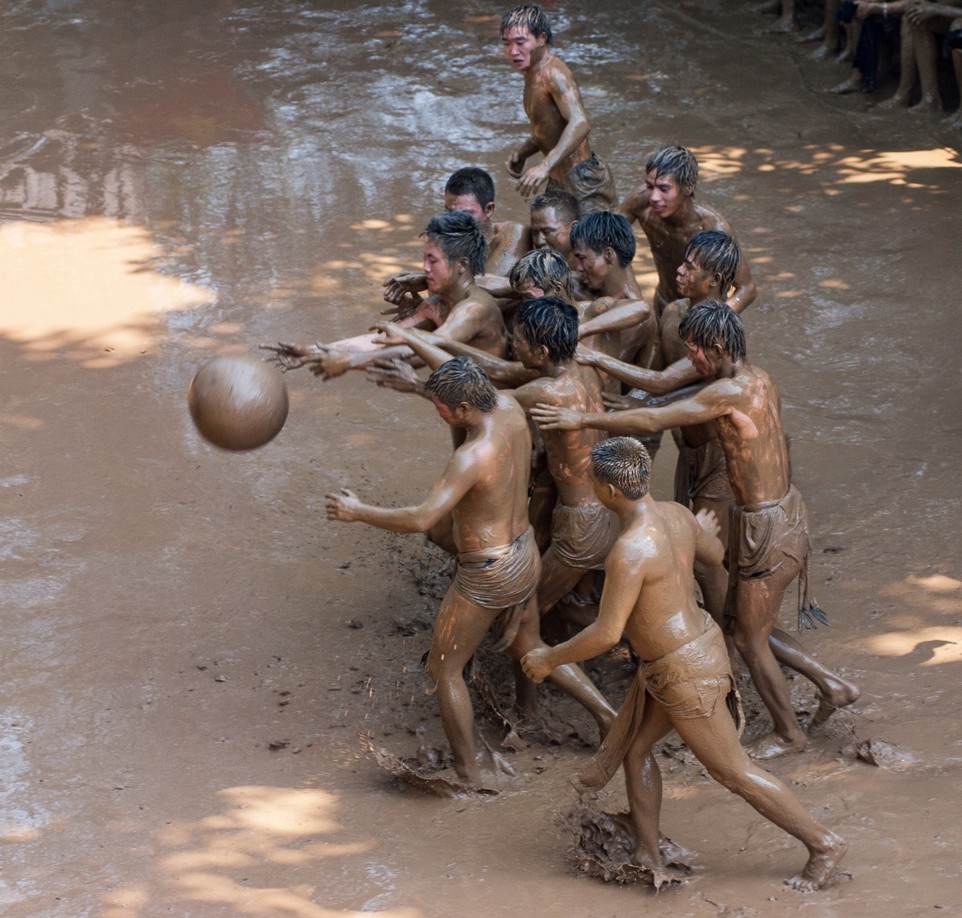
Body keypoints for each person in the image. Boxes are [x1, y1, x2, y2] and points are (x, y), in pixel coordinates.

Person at [531, 301, 859, 759]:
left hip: (767, 525)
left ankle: (790, 733)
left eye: (695, 352)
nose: (690, 360)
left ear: (719, 347)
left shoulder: (729, 391)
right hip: (781, 512)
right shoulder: (758, 377)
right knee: (740, 621)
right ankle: (830, 683)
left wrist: (584, 419)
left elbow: (656, 420)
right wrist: (638, 396)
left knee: (747, 636)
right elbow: (673, 399)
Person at [521, 437, 848, 892]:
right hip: (691, 650)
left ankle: (823, 843)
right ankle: (647, 854)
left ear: (608, 490)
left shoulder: (629, 550)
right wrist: (703, 528)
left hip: (685, 671)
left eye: (592, 481)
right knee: (636, 751)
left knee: (734, 771)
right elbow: (714, 556)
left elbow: (606, 633)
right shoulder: (676, 513)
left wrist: (548, 657)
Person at [327, 357, 603, 786]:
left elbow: (422, 519)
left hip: (488, 571)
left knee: (444, 669)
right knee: (531, 647)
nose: (439, 414)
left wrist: (358, 511)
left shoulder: (472, 456)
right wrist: (419, 387)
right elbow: (460, 406)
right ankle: (609, 716)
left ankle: (469, 773)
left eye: (440, 408)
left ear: (460, 411)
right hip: (525, 552)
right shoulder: (511, 407)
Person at [579, 230, 743, 626]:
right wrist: (632, 401)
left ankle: (725, 640)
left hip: (718, 457)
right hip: (688, 448)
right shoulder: (673, 314)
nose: (679, 271)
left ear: (715, 283)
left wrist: (592, 358)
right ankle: (690, 621)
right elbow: (653, 375)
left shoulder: (720, 332)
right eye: (682, 262)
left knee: (708, 561)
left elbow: (662, 384)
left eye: (691, 267)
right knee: (684, 546)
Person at [263, 211, 508, 379]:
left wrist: (349, 362)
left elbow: (420, 351)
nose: (424, 268)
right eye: (424, 259)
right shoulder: (437, 304)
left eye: (432, 260)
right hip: (467, 399)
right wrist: (312, 352)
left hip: (500, 407)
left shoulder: (472, 310)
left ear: (462, 265)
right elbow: (385, 339)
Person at [501, 4, 617, 214]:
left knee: (593, 243)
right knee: (551, 240)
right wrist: (523, 153)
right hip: (558, 177)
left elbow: (581, 122)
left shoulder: (553, 73)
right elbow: (548, 128)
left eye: (520, 42)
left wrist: (544, 166)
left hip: (582, 180)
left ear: (541, 39)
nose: (513, 51)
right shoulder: (532, 73)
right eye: (507, 43)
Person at [619, 144, 756, 319]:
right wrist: (633, 295)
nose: (653, 197)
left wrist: (712, 321)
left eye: (664, 189)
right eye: (649, 186)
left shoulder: (712, 229)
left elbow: (747, 289)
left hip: (701, 313)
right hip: (663, 302)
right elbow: (607, 241)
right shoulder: (641, 202)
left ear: (687, 188)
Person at [383, 167, 529, 310]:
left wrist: (426, 280)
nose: (456, 220)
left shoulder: (512, 233)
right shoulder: (444, 242)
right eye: (450, 212)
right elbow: (451, 303)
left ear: (489, 209)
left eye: (465, 213)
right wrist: (418, 307)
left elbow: (486, 300)